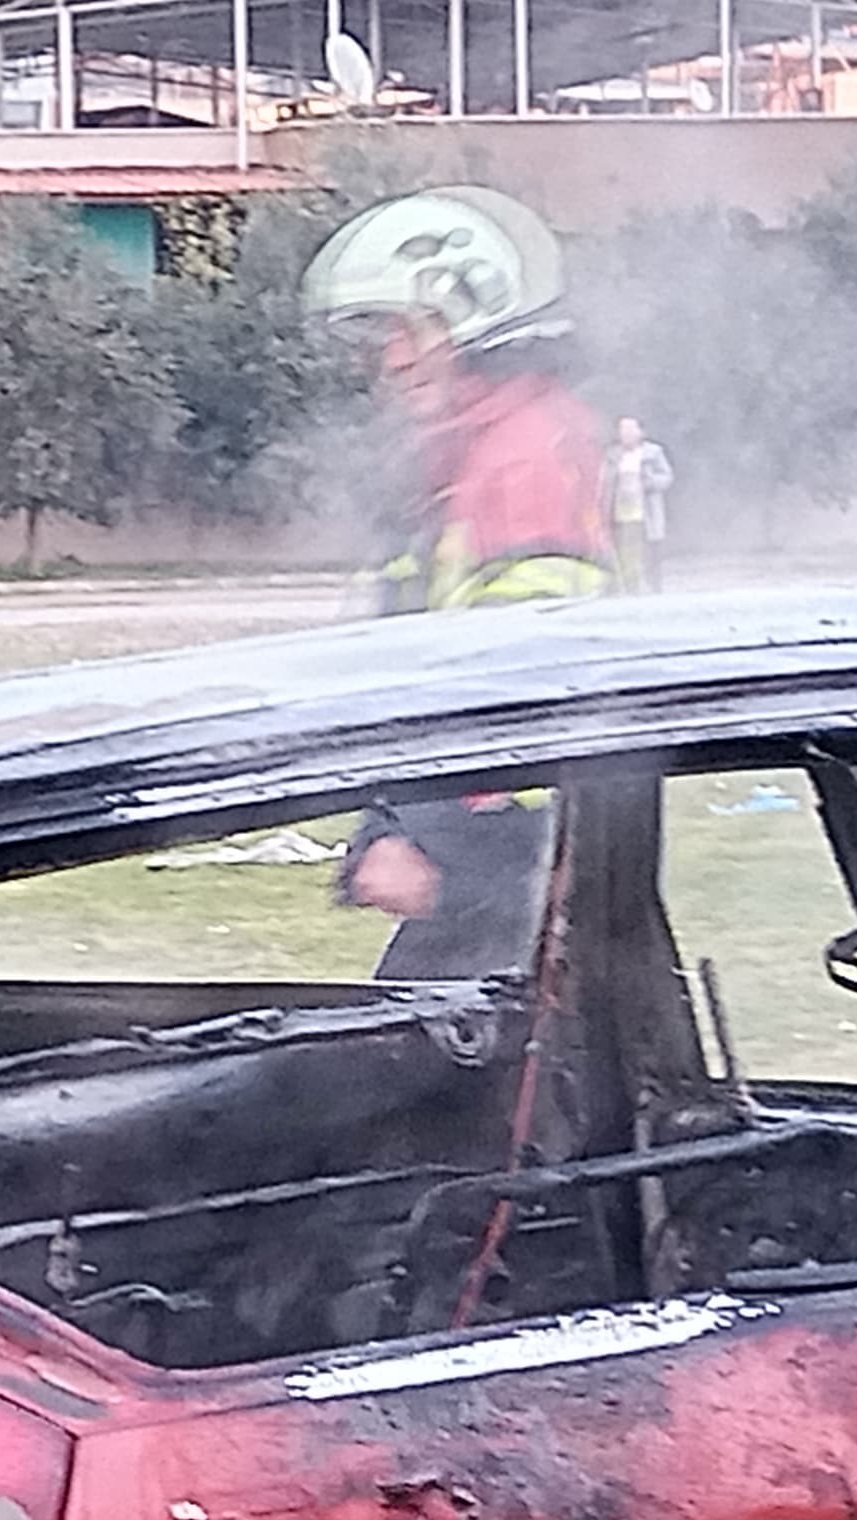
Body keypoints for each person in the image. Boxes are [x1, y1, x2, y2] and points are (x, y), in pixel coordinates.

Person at [299, 186, 609, 975]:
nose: (392, 359)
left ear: (479, 325)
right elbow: (408, 656)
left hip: (511, 860)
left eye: (412, 329)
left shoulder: (524, 461)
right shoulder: (470, 461)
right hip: (502, 854)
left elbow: (531, 683)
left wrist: (427, 837)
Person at [605, 414, 674, 593]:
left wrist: (649, 482)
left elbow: (666, 477)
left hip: (646, 510)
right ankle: (631, 587)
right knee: (626, 551)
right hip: (620, 510)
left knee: (651, 550)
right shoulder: (612, 455)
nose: (626, 434)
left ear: (640, 432)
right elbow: (603, 481)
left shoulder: (653, 453)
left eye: (630, 429)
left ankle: (654, 586)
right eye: (622, 430)